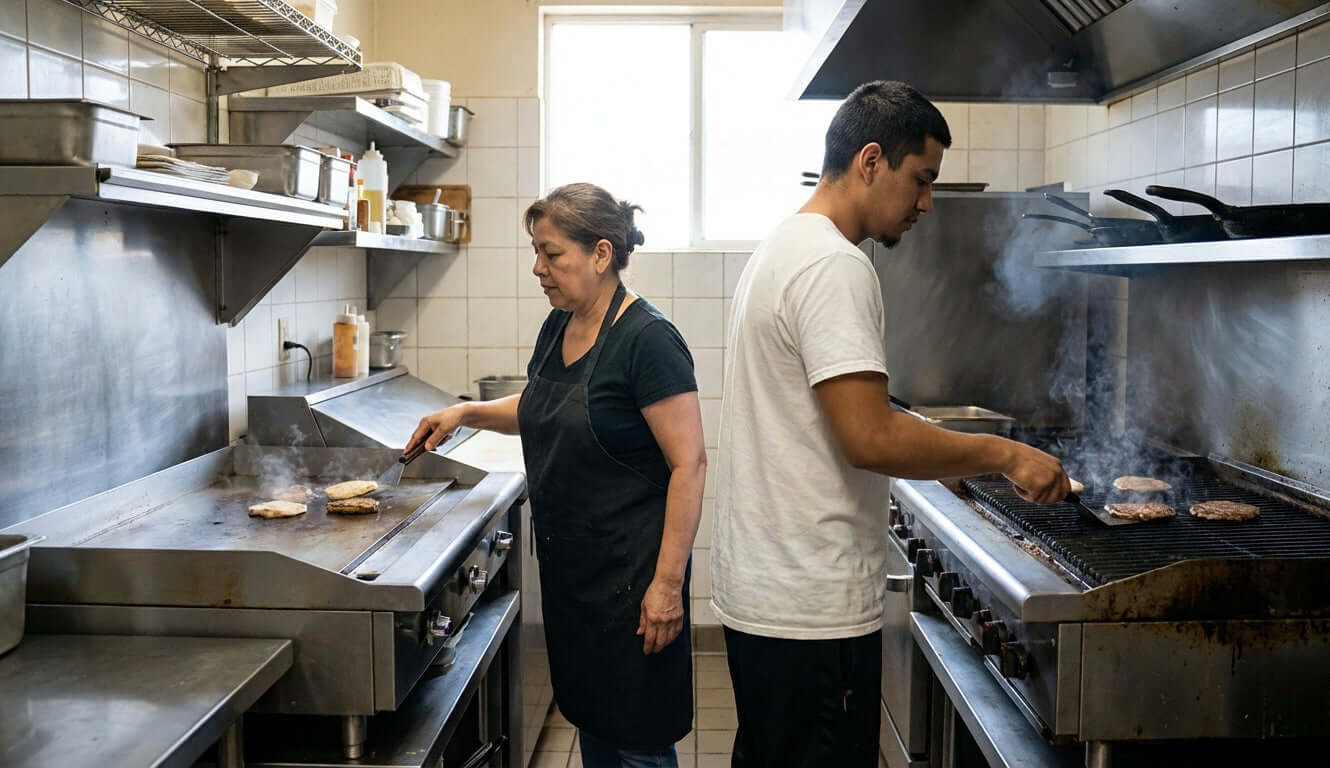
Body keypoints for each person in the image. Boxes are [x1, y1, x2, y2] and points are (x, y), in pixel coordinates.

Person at [711, 81, 1070, 767]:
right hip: (809, 607)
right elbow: (867, 435)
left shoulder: (784, 244)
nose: (927, 204)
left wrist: (947, 451)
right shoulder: (834, 265)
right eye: (922, 180)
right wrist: (1004, 454)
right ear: (871, 161)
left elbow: (827, 412)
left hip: (770, 594)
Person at [405, 183, 705, 767]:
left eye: (551, 254)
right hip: (577, 580)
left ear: (600, 254)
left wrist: (667, 587)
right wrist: (465, 411)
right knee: (593, 722)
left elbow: (689, 464)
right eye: (536, 253)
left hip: (634, 581)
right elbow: (542, 404)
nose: (538, 268)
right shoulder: (560, 324)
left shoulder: (648, 341)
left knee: (638, 741)